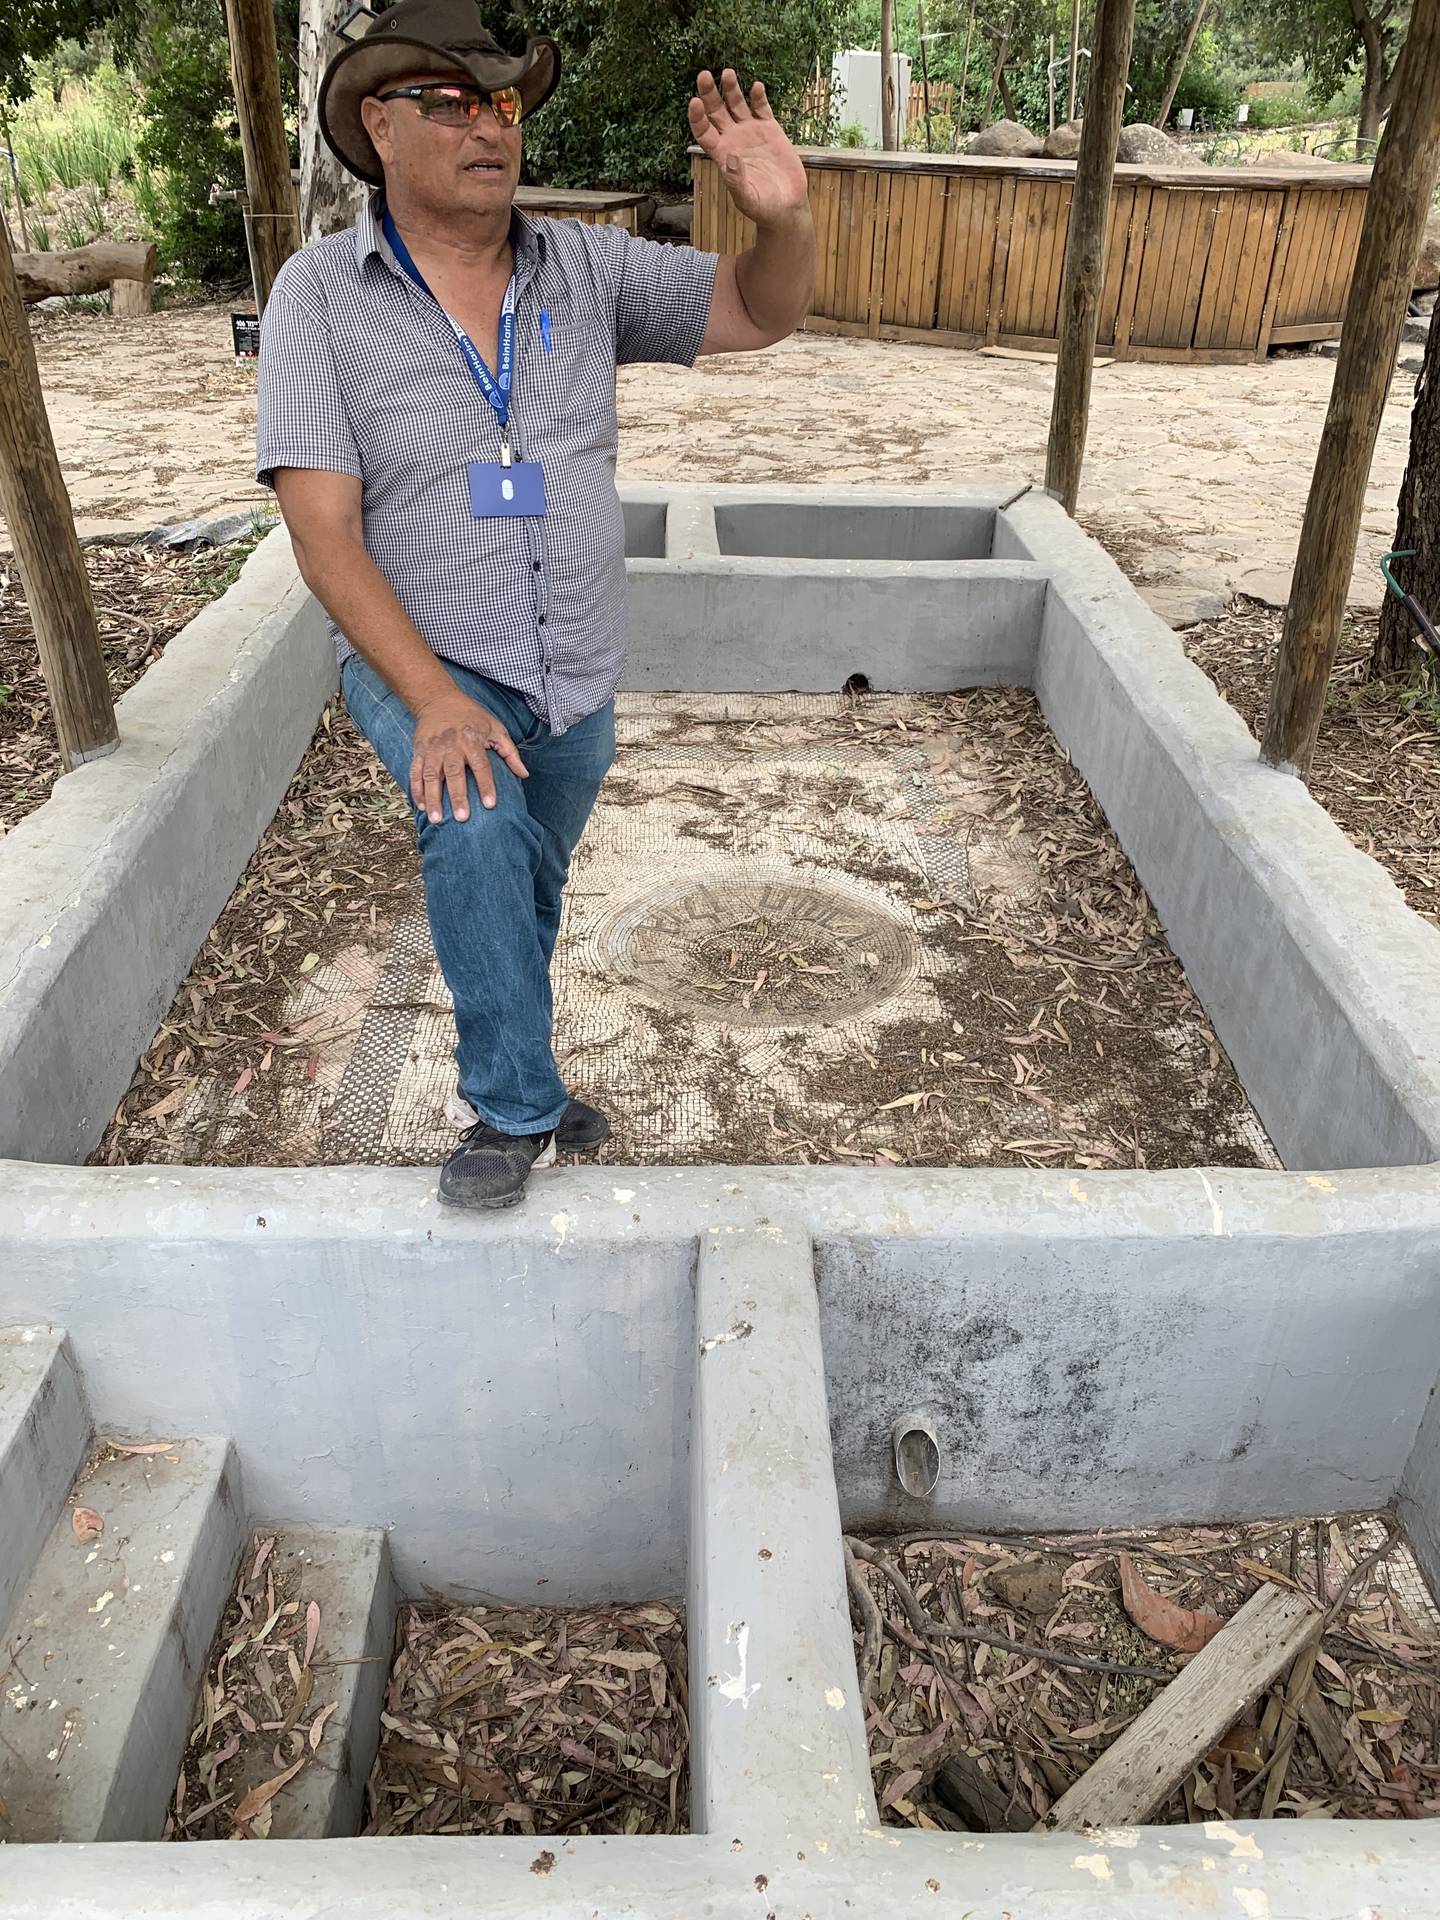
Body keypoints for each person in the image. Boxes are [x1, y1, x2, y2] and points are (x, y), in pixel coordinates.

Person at [256, 0, 814, 1209]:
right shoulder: (319, 296)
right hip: (428, 657)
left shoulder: (588, 266)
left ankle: (528, 1074)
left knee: (524, 883)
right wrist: (435, 700)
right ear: (378, 125)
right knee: (475, 829)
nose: (489, 126)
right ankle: (511, 1107)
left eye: (502, 102)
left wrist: (783, 220)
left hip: (574, 660)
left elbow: (761, 309)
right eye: (450, 102)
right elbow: (320, 529)